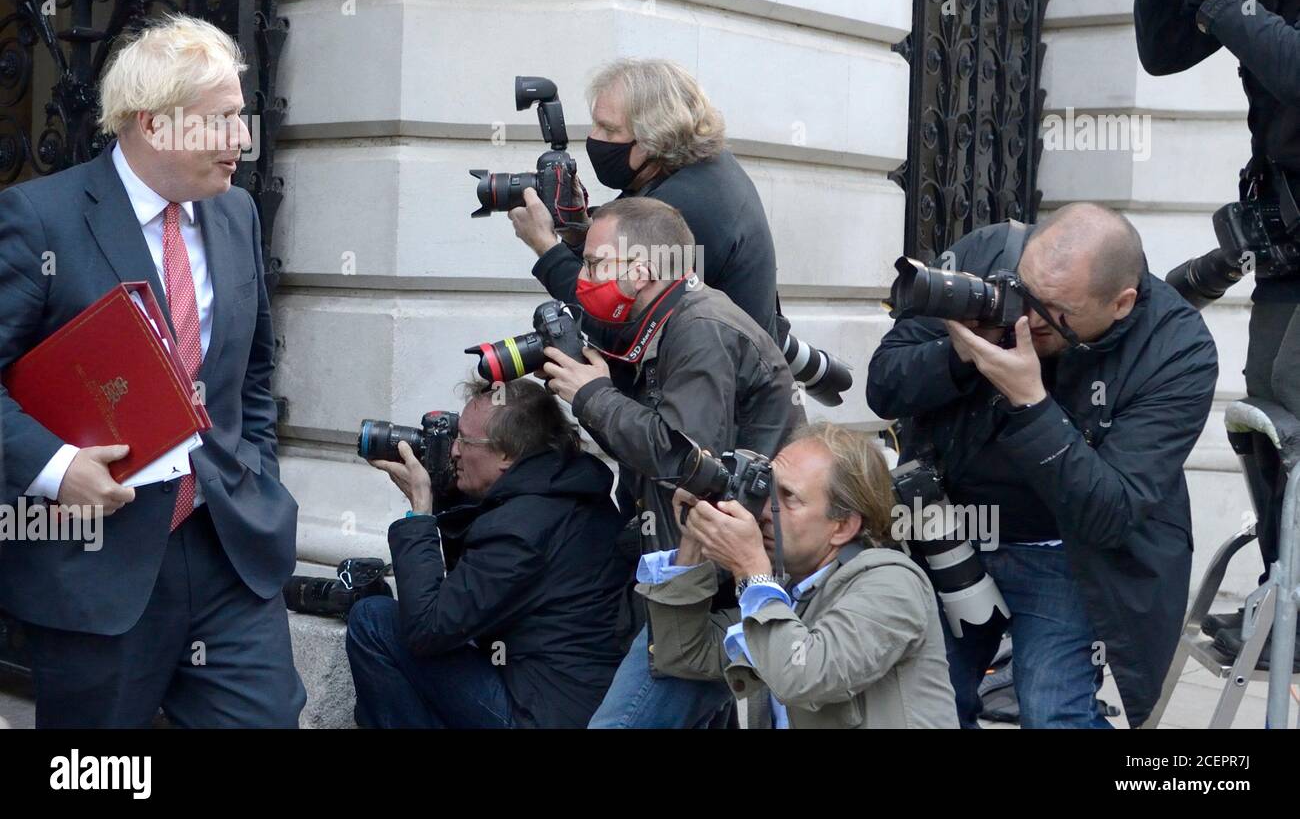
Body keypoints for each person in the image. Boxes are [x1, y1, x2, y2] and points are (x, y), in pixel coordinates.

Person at [0, 15, 304, 727]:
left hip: (230, 550)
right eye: (223, 121)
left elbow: (253, 374)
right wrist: (56, 466)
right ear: (153, 124)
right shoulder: (38, 220)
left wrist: (254, 473)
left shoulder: (236, 217)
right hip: (97, 570)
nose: (242, 141)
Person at [867, 204, 1218, 728]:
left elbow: (1110, 510)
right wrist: (960, 356)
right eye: (1021, 291)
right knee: (924, 705)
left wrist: (1030, 401)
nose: (1025, 318)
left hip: (1068, 551)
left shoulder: (1176, 349)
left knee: (1053, 711)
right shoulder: (987, 255)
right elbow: (883, 385)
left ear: (1120, 304)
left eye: (1053, 309)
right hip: (946, 524)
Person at [1134, 0, 1300, 662]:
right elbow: (1162, 57)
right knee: (1264, 422)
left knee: (1293, 422)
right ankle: (1287, 608)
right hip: (1286, 241)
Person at [539, 196, 804, 728]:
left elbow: (684, 458)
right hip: (699, 576)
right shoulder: (675, 318)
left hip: (718, 582)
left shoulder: (700, 326)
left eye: (594, 263)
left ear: (640, 271)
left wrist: (592, 395)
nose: (585, 277)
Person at [346, 377, 627, 728]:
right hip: (574, 701)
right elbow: (469, 595)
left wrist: (419, 514)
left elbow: (428, 628)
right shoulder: (565, 491)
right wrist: (449, 495)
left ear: (507, 454)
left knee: (373, 620)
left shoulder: (520, 527)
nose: (453, 451)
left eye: (465, 440)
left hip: (535, 715)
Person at [637, 423, 958, 729]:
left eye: (787, 497)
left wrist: (751, 570)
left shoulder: (892, 583)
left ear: (843, 526)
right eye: (766, 489)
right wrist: (694, 541)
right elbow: (684, 654)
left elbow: (805, 675)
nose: (763, 511)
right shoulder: (793, 594)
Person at [509, 57, 779, 338]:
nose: (594, 138)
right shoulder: (686, 169)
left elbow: (613, 322)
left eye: (609, 129)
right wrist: (579, 230)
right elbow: (618, 265)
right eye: (595, 125)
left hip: (713, 377)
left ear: (655, 139)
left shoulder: (684, 207)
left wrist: (546, 247)